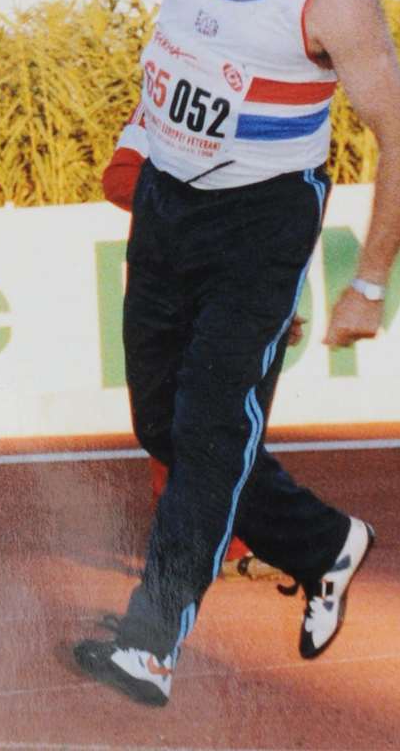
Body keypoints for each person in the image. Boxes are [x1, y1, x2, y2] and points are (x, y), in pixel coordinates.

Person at [0, 0, 400, 707]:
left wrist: (368, 281)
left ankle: (150, 641)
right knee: (161, 425)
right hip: (170, 203)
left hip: (262, 222)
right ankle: (324, 542)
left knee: (212, 429)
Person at [102, 104, 290, 583]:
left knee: (231, 415)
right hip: (169, 283)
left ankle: (229, 544)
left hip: (234, 283)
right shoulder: (159, 105)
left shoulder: (264, 114)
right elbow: (120, 178)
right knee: (178, 419)